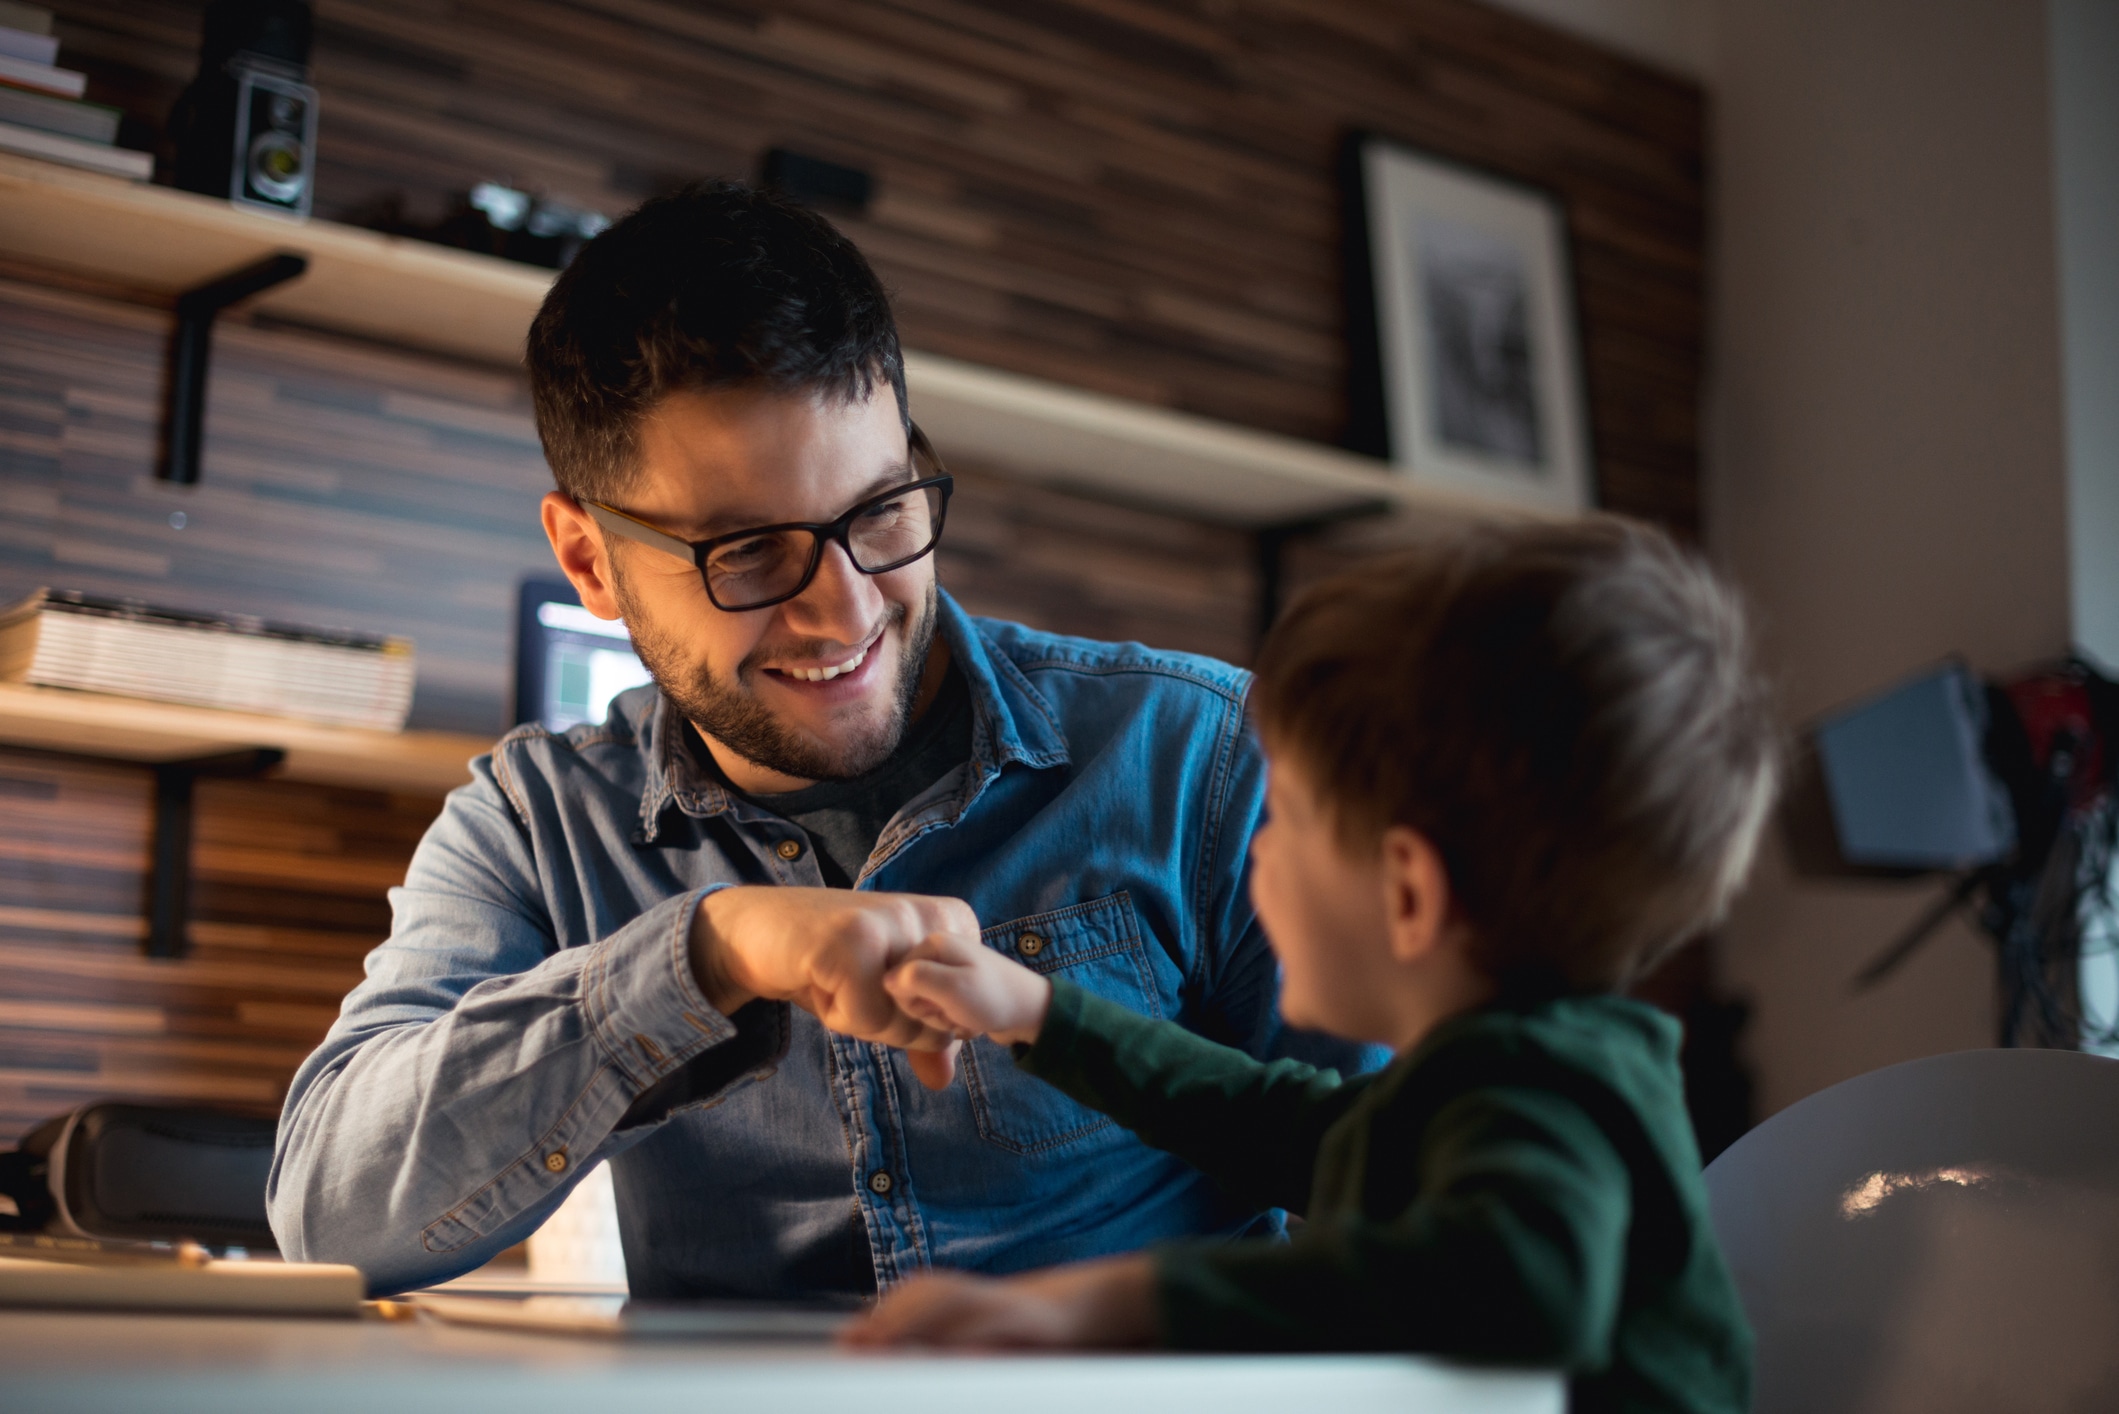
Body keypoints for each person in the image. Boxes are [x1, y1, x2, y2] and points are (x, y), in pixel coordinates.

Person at [267, 182, 1372, 1297]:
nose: (844, 613)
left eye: (881, 513)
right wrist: (706, 953)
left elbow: (1441, 1197)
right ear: (588, 559)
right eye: (747, 553)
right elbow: (331, 1219)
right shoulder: (532, 824)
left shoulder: (1204, 758)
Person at [848, 518, 1779, 1414]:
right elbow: (1273, 1122)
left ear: (1407, 894)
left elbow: (1515, 1280)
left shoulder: (1541, 1095)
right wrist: (1042, 1015)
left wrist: (1114, 1306)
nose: (1261, 854)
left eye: (1287, 821)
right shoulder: (1507, 1070)